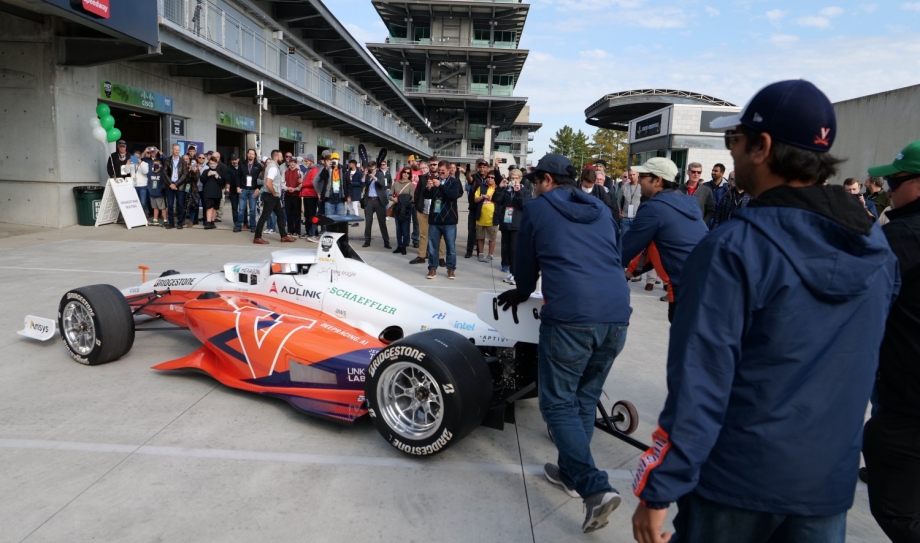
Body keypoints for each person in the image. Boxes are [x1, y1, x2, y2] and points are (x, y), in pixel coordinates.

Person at [631, 79, 899, 543]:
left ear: (763, 146)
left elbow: (700, 386)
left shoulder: (733, 249)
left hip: (737, 485)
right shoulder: (876, 248)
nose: (731, 152)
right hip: (824, 487)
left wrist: (658, 488)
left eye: (735, 140)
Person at [496, 153, 632, 534]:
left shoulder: (538, 209)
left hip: (572, 318)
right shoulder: (603, 208)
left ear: (547, 180)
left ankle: (595, 488)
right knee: (584, 400)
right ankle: (571, 476)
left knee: (557, 404)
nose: (533, 186)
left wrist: (522, 292)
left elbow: (526, 263)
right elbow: (613, 256)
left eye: (536, 179)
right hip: (617, 317)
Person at [862, 140, 920, 543]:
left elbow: (851, 299)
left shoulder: (901, 237)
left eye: (894, 181)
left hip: (909, 400)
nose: (888, 190)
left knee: (897, 509)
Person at [620, 157, 708, 322]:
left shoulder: (654, 208)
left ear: (658, 180)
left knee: (685, 343)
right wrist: (630, 271)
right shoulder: (689, 202)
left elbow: (624, 249)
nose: (639, 181)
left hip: (686, 290)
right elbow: (662, 247)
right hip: (710, 281)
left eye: (643, 176)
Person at [423, 160, 462, 279]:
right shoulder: (434, 181)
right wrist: (429, 188)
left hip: (449, 220)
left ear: (449, 170)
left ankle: (450, 269)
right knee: (433, 247)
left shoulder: (454, 182)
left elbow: (453, 195)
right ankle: (432, 268)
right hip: (435, 219)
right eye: (439, 171)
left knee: (451, 247)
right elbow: (426, 196)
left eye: (443, 171)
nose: (440, 173)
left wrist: (440, 186)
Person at [495, 168, 531, 285]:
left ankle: (517, 274)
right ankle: (511, 272)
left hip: (517, 224)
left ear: (520, 179)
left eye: (516, 178)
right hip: (506, 223)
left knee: (514, 250)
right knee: (506, 249)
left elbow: (525, 205)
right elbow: (496, 200)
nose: (514, 180)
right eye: (512, 178)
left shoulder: (525, 190)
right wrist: (500, 188)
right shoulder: (506, 189)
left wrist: (518, 192)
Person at [253, 150, 296, 244]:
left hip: (273, 196)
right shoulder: (273, 168)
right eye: (281, 157)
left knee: (280, 215)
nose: (282, 158)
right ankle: (257, 237)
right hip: (271, 196)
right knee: (264, 216)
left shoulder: (273, 167)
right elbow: (268, 183)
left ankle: (284, 236)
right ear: (276, 157)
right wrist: (273, 193)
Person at [409, 161, 446, 267]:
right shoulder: (423, 178)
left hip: (437, 210)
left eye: (435, 164)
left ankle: (441, 257)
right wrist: (417, 206)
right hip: (423, 209)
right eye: (431, 165)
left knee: (440, 236)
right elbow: (417, 193)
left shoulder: (443, 178)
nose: (433, 166)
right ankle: (421, 256)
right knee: (423, 234)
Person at [361, 161, 391, 248]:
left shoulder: (380, 174)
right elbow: (362, 184)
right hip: (369, 200)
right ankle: (367, 241)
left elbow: (382, 184)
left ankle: (386, 242)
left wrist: (373, 177)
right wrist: (364, 174)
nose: (371, 171)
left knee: (382, 222)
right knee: (368, 222)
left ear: (376, 168)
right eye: (370, 169)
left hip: (379, 201)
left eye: (373, 169)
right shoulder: (366, 175)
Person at [464, 159, 489, 258]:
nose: (482, 169)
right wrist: (468, 171)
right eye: (480, 167)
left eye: (484, 167)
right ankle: (469, 251)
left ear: (487, 168)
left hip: (485, 209)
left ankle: (480, 251)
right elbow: (469, 179)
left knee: (480, 231)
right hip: (474, 208)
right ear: (477, 168)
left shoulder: (490, 177)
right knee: (471, 230)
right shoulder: (474, 177)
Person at [678, 162, 715, 226]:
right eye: (693, 172)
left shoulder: (706, 191)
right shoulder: (678, 189)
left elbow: (710, 211)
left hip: (698, 226)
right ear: (687, 172)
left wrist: (703, 223)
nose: (696, 174)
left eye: (699, 172)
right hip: (680, 225)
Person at [163, 144, 191, 230]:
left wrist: (176, 184)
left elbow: (185, 174)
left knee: (180, 205)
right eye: (175, 150)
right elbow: (164, 173)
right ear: (172, 150)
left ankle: (180, 222)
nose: (177, 151)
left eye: (178, 150)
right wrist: (171, 184)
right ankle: (171, 222)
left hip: (180, 186)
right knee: (170, 205)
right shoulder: (167, 160)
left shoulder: (183, 161)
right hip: (169, 186)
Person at [474, 171, 499, 262]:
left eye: (492, 177)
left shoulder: (498, 188)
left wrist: (491, 198)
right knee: (480, 237)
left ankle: (490, 254)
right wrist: (482, 197)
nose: (490, 179)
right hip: (480, 217)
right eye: (488, 177)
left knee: (492, 237)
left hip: (493, 218)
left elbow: (501, 200)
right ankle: (480, 254)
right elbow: (476, 199)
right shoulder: (481, 187)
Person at [315, 151, 350, 216]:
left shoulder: (343, 169)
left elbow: (348, 183)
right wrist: (326, 167)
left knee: (340, 219)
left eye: (336, 159)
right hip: (329, 199)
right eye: (333, 159)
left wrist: (348, 196)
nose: (334, 160)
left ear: (339, 160)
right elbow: (321, 178)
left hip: (340, 199)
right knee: (329, 219)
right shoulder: (327, 168)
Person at [237, 149, 262, 232]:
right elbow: (238, 176)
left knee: (252, 209)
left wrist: (258, 188)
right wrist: (238, 187)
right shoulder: (242, 164)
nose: (251, 155)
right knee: (241, 209)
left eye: (252, 154)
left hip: (253, 189)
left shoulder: (258, 166)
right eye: (249, 153)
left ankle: (253, 225)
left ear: (255, 156)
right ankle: (238, 225)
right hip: (243, 189)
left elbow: (260, 178)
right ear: (247, 155)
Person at [390, 168, 414, 254]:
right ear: (401, 173)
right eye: (404, 172)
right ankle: (399, 245)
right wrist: (393, 198)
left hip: (407, 209)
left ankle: (404, 246)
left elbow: (412, 198)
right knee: (398, 228)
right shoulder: (395, 184)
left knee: (405, 228)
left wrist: (400, 199)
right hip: (397, 208)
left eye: (408, 173)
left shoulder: (410, 185)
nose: (406, 174)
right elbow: (389, 195)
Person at [300, 155, 320, 241]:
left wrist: (303, 184)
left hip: (312, 195)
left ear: (311, 161)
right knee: (307, 215)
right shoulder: (309, 170)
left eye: (306, 161)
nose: (305, 162)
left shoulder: (314, 170)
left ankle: (314, 232)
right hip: (306, 194)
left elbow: (313, 182)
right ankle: (308, 232)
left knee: (312, 214)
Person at [618, 168, 641, 241]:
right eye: (630, 175)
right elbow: (618, 201)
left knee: (636, 241)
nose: (632, 176)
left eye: (634, 174)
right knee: (624, 241)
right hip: (625, 218)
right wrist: (619, 212)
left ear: (638, 174)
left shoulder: (642, 186)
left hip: (637, 218)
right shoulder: (624, 187)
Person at [201, 156, 223, 229]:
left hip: (217, 193)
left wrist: (218, 178)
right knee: (209, 208)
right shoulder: (205, 171)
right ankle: (208, 222)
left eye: (214, 163)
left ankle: (212, 222)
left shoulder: (219, 172)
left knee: (215, 208)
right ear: (209, 164)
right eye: (211, 163)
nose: (212, 165)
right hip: (208, 193)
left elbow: (222, 183)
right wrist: (207, 176)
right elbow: (202, 180)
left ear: (216, 164)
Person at [283, 158, 303, 236]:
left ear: (296, 163)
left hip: (296, 195)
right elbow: (282, 183)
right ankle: (290, 230)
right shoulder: (285, 172)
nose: (292, 164)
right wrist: (287, 188)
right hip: (287, 195)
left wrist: (295, 189)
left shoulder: (299, 172)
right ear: (289, 163)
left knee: (297, 214)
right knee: (289, 213)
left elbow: (301, 184)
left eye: (294, 162)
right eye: (291, 162)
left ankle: (297, 231)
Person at [147, 158, 166, 226]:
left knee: (162, 207)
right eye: (154, 164)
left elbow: (163, 183)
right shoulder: (150, 174)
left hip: (160, 194)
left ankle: (165, 220)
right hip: (152, 193)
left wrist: (161, 191)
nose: (156, 165)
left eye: (157, 164)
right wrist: (150, 190)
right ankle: (155, 219)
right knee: (155, 207)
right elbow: (149, 183)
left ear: (160, 165)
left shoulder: (162, 173)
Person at [225, 153, 241, 229]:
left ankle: (245, 222)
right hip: (233, 191)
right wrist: (227, 190)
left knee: (243, 208)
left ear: (238, 159)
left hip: (242, 190)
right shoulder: (228, 168)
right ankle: (236, 222)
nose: (234, 161)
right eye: (232, 160)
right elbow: (227, 181)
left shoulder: (242, 167)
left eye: (235, 159)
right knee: (234, 208)